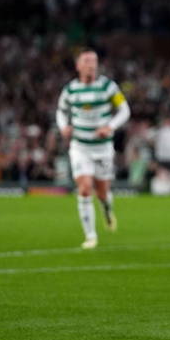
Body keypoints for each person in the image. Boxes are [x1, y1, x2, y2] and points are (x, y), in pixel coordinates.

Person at [56, 50, 130, 249]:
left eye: (94, 61)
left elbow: (125, 110)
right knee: (85, 187)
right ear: (78, 66)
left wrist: (110, 127)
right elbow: (61, 111)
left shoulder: (108, 87)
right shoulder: (70, 90)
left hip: (103, 148)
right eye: (86, 61)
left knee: (102, 192)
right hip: (80, 147)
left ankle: (107, 209)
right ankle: (90, 236)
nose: (91, 65)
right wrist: (63, 126)